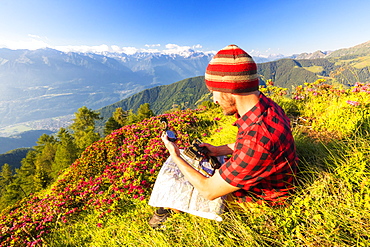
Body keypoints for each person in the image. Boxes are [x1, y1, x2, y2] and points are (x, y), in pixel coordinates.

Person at [148, 44, 297, 228]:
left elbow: (208, 191)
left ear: (230, 90)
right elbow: (249, 145)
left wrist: (175, 155)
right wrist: (217, 150)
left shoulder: (257, 138)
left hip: (260, 200)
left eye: (214, 92)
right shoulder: (266, 108)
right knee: (196, 163)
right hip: (265, 177)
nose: (214, 100)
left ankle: (166, 215)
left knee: (178, 178)